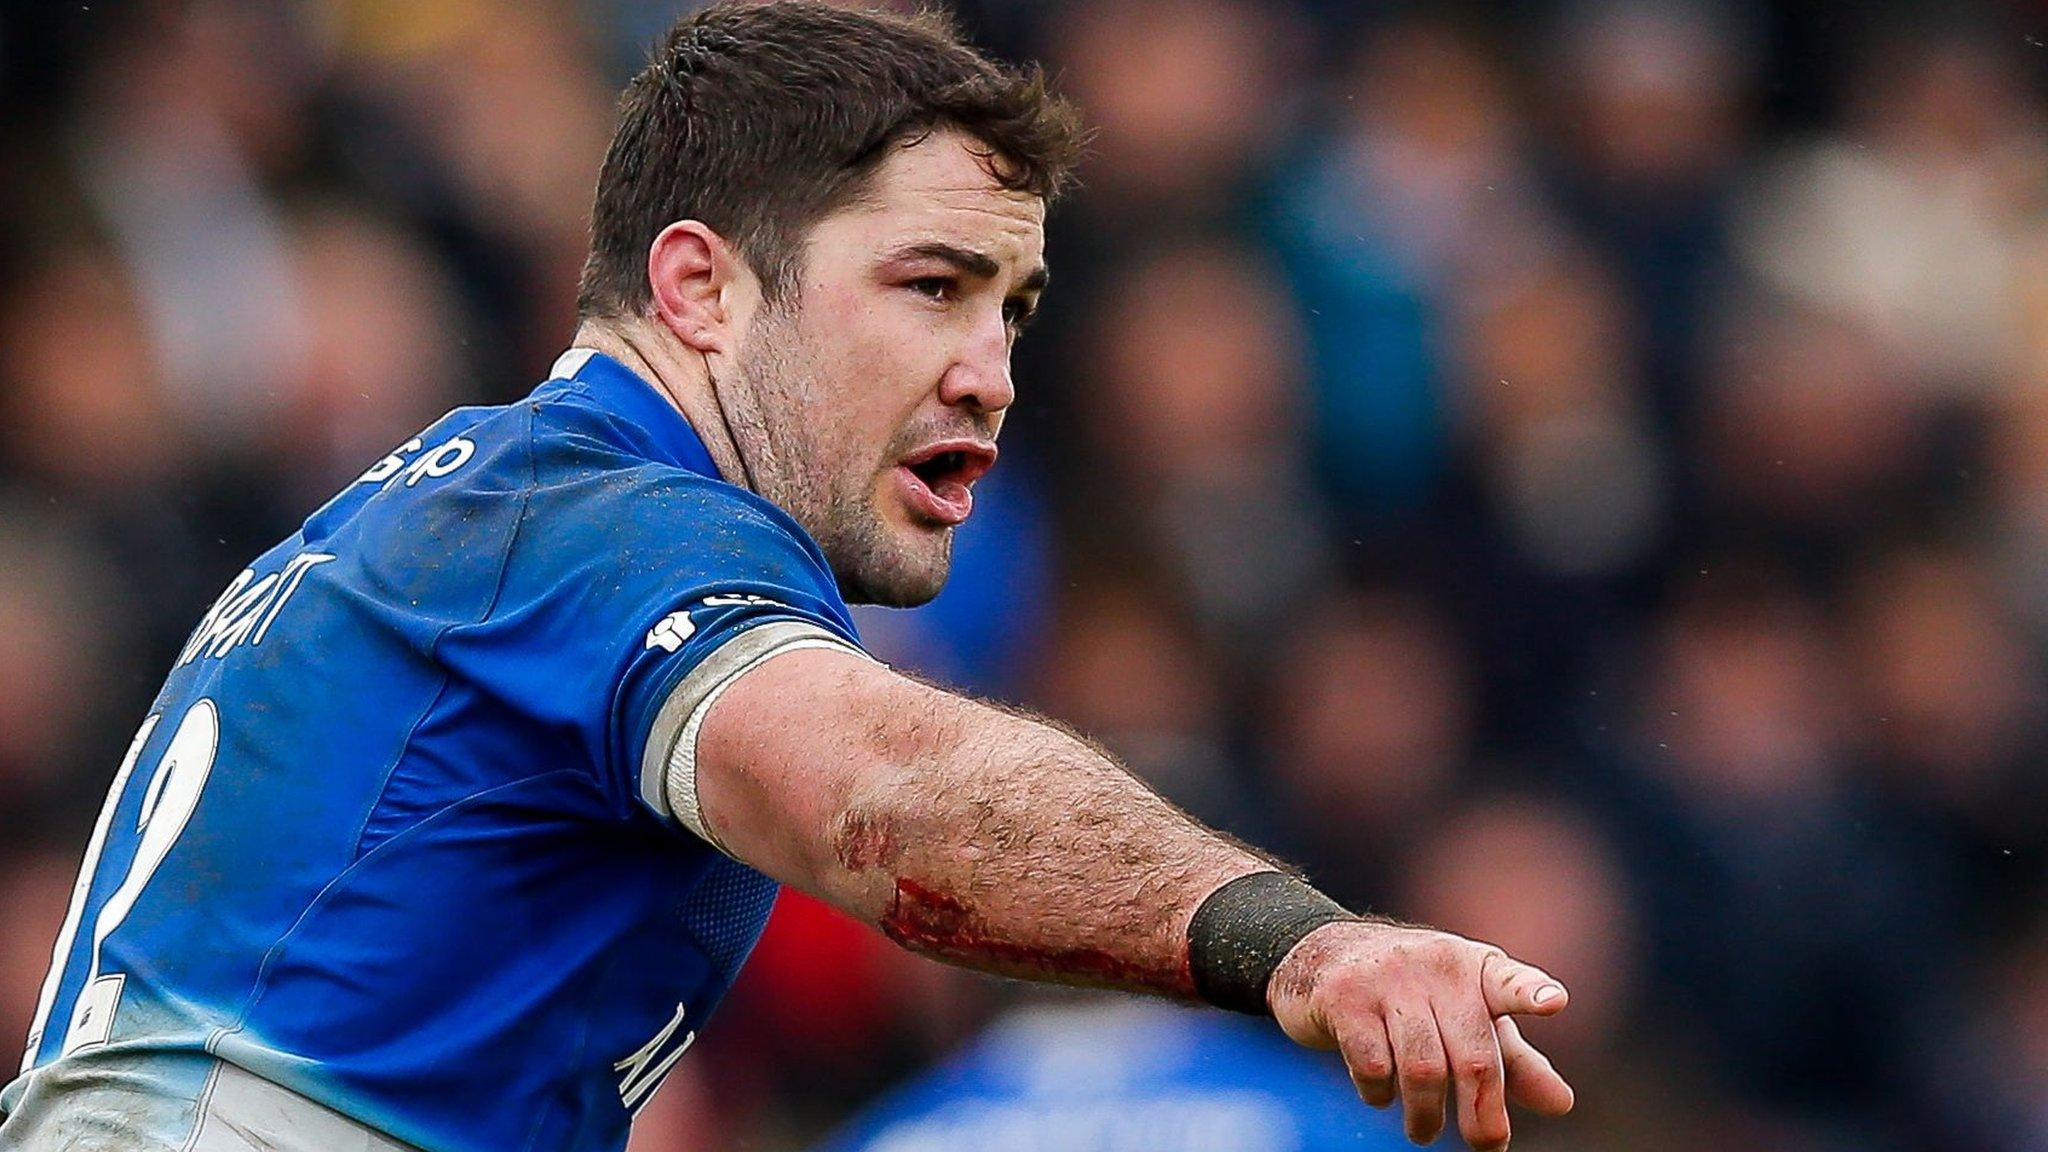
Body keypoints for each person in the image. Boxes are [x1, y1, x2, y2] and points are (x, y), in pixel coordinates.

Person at [1, 5, 1574, 1151]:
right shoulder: (616, 519)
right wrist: (1295, 941)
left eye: (1013, 308)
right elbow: (891, 799)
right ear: (698, 285)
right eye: (932, 286)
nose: (990, 372)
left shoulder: (471, 500)